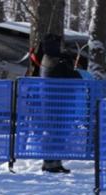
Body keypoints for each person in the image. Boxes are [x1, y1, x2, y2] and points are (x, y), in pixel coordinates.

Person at [35, 33, 81, 174]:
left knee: (57, 131)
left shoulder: (47, 58)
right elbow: (72, 77)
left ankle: (54, 161)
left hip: (54, 101)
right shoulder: (53, 60)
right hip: (56, 102)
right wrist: (71, 65)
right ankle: (50, 162)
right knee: (55, 131)